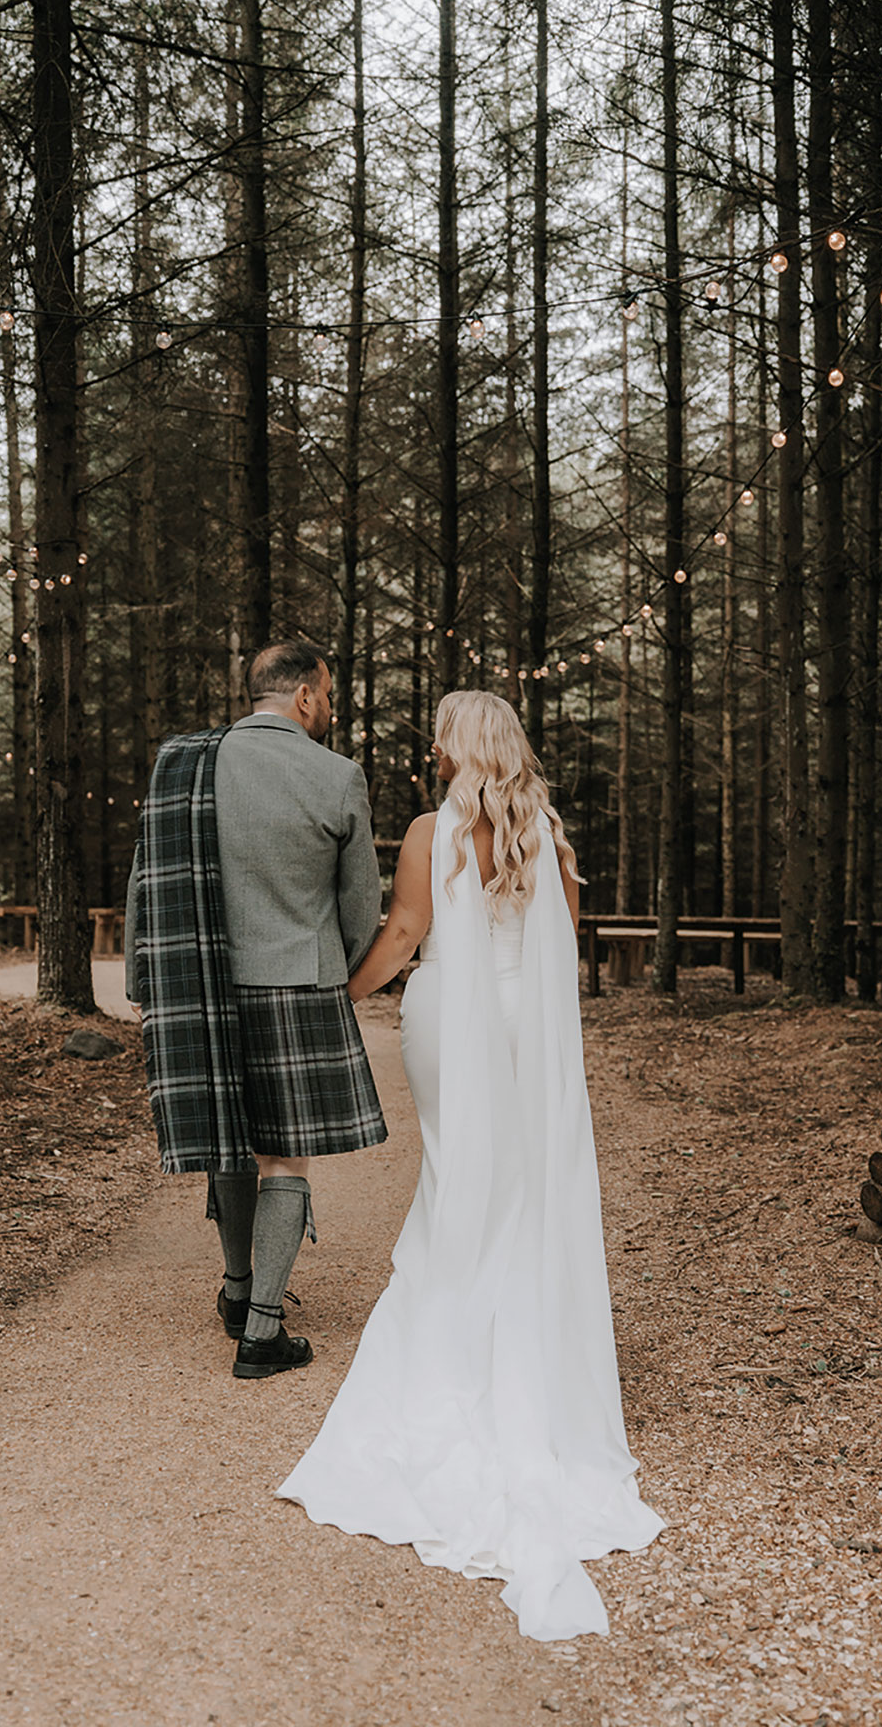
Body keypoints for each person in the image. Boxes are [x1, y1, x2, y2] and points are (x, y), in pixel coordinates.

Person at [278, 689, 663, 1639]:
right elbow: (564, 938)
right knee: (525, 1185)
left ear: (462, 743)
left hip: (451, 1019)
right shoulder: (547, 830)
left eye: (441, 736)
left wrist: (343, 990)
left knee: (459, 1177)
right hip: (525, 1022)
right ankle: (524, 1343)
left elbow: (406, 936)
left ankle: (459, 1346)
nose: (434, 750)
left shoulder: (431, 830)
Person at [125, 640, 386, 1378]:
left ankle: (239, 1291)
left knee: (227, 1138)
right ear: (304, 695)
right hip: (295, 978)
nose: (329, 709)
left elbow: (147, 880)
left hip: (196, 980)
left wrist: (147, 976)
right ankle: (262, 1333)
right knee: (282, 1155)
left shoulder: (181, 765)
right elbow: (361, 906)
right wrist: (327, 961)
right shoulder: (337, 776)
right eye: (327, 695)